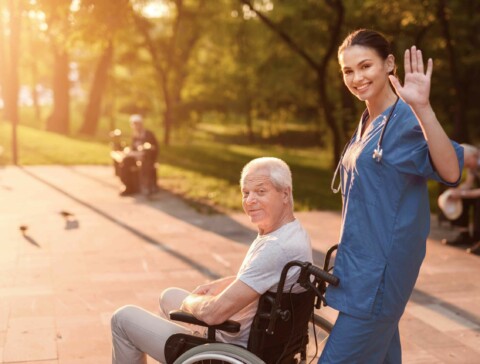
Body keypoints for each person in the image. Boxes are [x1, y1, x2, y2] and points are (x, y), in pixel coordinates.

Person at [321, 29, 463, 363]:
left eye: (365, 66)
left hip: (381, 275)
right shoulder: (368, 118)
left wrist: (423, 108)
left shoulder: (406, 120)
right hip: (359, 267)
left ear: (389, 64)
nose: (356, 78)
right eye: (348, 71)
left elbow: (451, 171)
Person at [110, 157, 313, 364]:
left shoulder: (275, 247)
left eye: (261, 191)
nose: (250, 200)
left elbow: (213, 314)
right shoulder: (293, 234)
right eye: (246, 193)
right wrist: (221, 285)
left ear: (285, 194)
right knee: (168, 296)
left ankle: (190, 353)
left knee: (122, 318)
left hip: (233, 349)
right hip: (254, 331)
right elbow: (267, 277)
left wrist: (192, 302)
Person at [440, 144, 480, 255]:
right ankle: (464, 234)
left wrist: (462, 193)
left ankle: (478, 239)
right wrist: (455, 192)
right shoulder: (473, 165)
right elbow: (468, 183)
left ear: (474, 155)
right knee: (461, 199)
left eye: (467, 163)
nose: (466, 166)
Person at [116, 114, 159, 196]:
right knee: (125, 162)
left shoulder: (148, 134)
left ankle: (135, 187)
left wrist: (141, 153)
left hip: (147, 158)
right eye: (134, 124)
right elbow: (133, 147)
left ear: (141, 124)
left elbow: (153, 148)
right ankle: (128, 186)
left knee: (127, 162)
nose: (135, 126)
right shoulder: (135, 135)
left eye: (137, 124)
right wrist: (129, 151)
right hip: (136, 158)